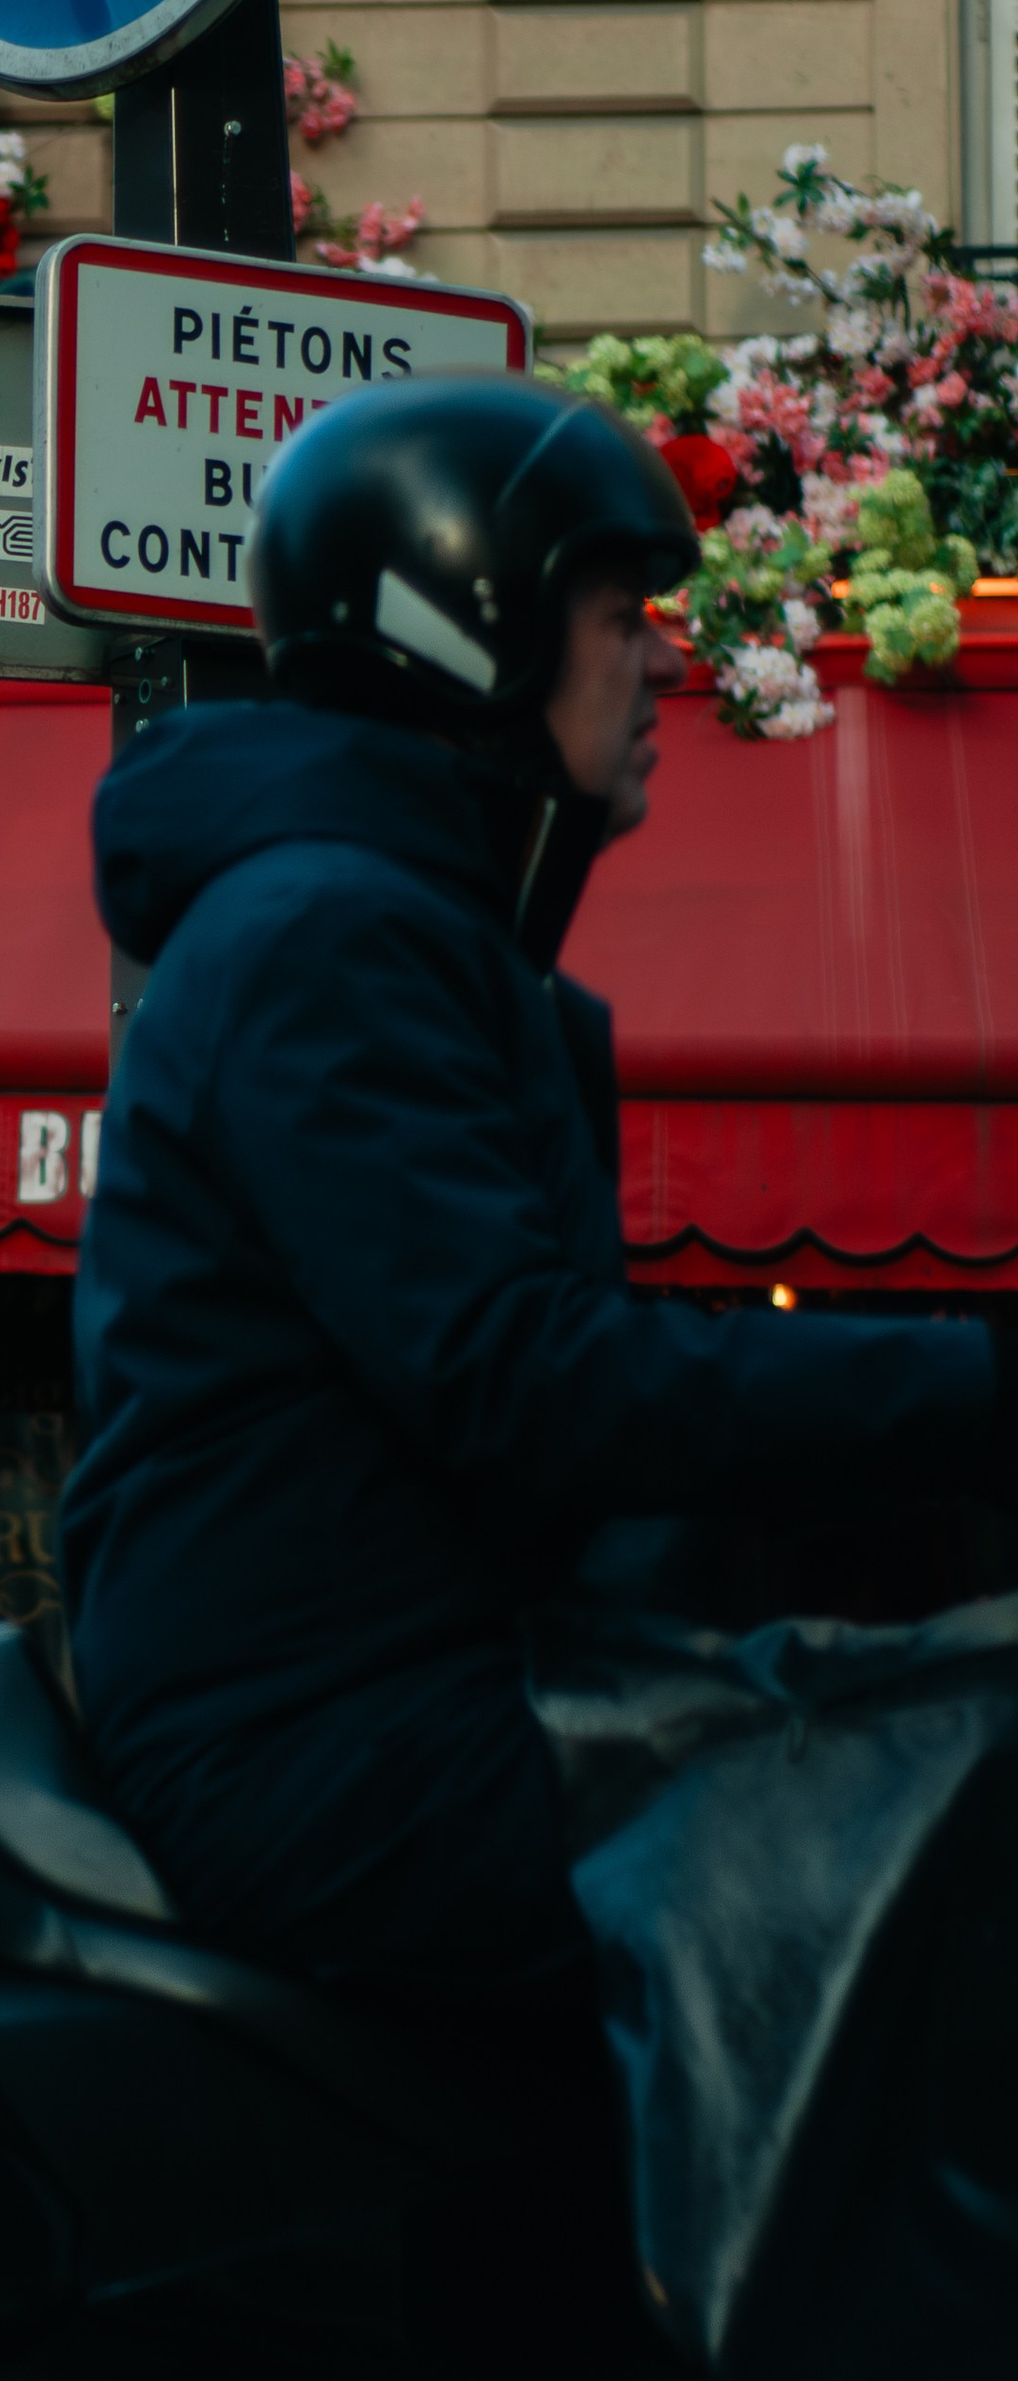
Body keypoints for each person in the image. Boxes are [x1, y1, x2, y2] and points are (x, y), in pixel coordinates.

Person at [63, 373, 1000, 2017]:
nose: (665, 659)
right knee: (925, 1860)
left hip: (394, 1690)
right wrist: (981, 1388)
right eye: (622, 612)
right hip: (327, 1738)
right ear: (465, 630)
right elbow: (526, 1378)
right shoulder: (333, 934)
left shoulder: (394, 925)